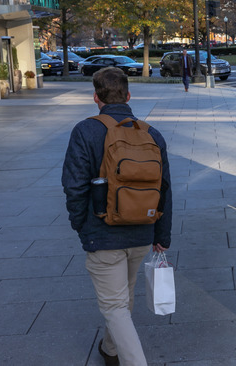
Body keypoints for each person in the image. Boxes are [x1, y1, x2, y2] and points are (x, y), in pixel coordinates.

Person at [62, 67, 172, 366]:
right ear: (129, 95)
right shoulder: (152, 134)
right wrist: (161, 235)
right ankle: (111, 350)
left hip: (103, 233)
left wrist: (81, 225)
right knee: (123, 299)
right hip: (142, 232)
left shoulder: (85, 131)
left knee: (114, 306)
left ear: (96, 97)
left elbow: (74, 186)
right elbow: (164, 188)